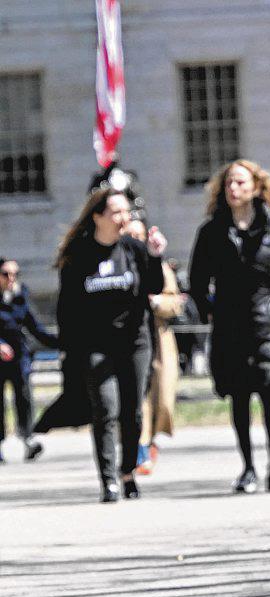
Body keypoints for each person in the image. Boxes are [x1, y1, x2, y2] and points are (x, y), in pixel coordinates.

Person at [189, 159, 270, 493]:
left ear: (256, 188)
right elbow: (197, 281)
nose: (234, 189)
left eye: (241, 183)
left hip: (268, 323)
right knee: (238, 398)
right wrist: (209, 310)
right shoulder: (211, 232)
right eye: (228, 183)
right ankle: (248, 467)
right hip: (230, 326)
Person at [55, 188, 166, 502]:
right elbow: (67, 308)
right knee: (106, 410)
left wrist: (155, 255)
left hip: (134, 342)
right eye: (116, 212)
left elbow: (154, 287)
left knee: (132, 411)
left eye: (126, 212)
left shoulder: (133, 249)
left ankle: (128, 472)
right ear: (98, 216)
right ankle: (109, 480)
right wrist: (70, 350)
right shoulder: (79, 256)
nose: (124, 218)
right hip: (96, 345)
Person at [124, 222, 183, 475]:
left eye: (140, 235)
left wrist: (157, 301)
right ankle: (140, 448)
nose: (136, 240)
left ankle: (151, 441)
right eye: (131, 235)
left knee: (162, 398)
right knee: (138, 398)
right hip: (130, 340)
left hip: (158, 340)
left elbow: (175, 303)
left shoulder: (159, 267)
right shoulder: (120, 266)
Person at [0, 258, 59, 463]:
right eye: (6, 274)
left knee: (24, 396)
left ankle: (28, 438)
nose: (11, 279)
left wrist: (62, 342)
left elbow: (35, 328)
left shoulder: (20, 296)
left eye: (15, 274)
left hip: (18, 356)